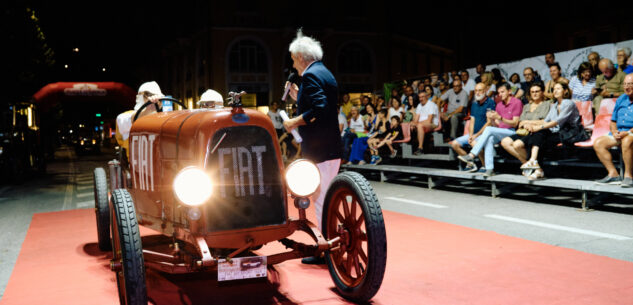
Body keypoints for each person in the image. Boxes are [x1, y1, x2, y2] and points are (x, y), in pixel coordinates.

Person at [282, 30, 343, 264]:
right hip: (329, 147)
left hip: (321, 149)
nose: (293, 64)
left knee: (321, 200)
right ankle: (329, 246)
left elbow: (319, 108)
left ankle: (327, 250)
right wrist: (299, 97)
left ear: (300, 57)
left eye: (293, 59)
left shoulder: (310, 76)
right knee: (323, 198)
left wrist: (293, 121)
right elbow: (321, 104)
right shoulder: (323, 72)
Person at [513, 82, 585, 180]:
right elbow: (547, 120)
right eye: (554, 89)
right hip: (558, 132)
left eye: (558, 88)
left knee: (540, 136)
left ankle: (537, 167)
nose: (555, 91)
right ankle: (535, 164)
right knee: (537, 136)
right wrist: (532, 126)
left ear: (565, 91)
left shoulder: (569, 103)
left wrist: (539, 127)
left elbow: (557, 121)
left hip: (570, 132)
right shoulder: (555, 105)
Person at [457, 83, 523, 176]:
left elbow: (515, 123)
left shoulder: (516, 102)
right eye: (499, 92)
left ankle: (472, 155)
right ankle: (490, 169)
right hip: (500, 131)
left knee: (488, 129)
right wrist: (492, 119)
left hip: (512, 131)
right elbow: (497, 124)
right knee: (489, 138)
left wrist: (499, 117)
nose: (500, 95)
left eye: (503, 92)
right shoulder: (499, 104)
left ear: (509, 91)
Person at [500, 82, 552, 176]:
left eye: (537, 91)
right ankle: (528, 164)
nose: (535, 93)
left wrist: (528, 122)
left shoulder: (547, 104)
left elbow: (546, 121)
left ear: (542, 92)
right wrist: (524, 124)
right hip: (524, 131)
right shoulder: (527, 106)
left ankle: (532, 166)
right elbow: (520, 122)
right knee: (505, 141)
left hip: (538, 131)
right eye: (532, 92)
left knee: (517, 145)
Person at [593, 74, 633, 187]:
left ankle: (628, 176)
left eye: (630, 84)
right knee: (598, 143)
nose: (626, 87)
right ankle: (613, 174)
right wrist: (615, 131)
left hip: (631, 133)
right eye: (625, 84)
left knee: (627, 141)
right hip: (620, 132)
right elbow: (613, 121)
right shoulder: (621, 99)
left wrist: (628, 132)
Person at [450, 83, 496, 171]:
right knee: (455, 144)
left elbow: (489, 123)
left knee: (474, 143)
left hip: (484, 134)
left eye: (480, 90)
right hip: (474, 134)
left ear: (485, 91)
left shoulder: (490, 102)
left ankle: (484, 165)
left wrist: (475, 136)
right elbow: (472, 122)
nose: (477, 93)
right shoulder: (474, 104)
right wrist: (471, 135)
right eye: (476, 91)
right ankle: (470, 164)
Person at [115, 81, 164, 161]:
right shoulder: (124, 117)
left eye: (156, 97)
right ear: (140, 97)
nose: (153, 99)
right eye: (148, 95)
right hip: (136, 167)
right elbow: (133, 119)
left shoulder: (164, 119)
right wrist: (148, 109)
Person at [413, 91, 440, 155]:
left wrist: (417, 124)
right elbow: (416, 119)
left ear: (427, 97)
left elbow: (429, 120)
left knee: (419, 125)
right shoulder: (419, 105)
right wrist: (413, 124)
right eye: (419, 97)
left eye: (423, 97)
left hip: (433, 124)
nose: (421, 99)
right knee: (411, 125)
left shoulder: (431, 105)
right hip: (422, 123)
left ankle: (420, 148)